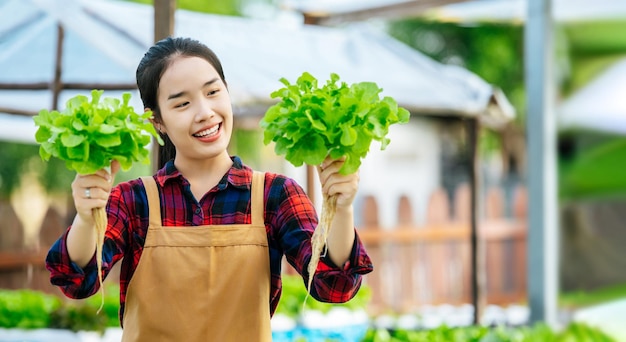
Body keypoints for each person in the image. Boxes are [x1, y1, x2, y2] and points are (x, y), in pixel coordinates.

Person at [45, 36, 373, 341]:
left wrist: (340, 208)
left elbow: (334, 288)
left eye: (213, 92)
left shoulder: (274, 194)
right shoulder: (134, 200)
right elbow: (77, 281)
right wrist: (87, 218)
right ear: (156, 121)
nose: (205, 113)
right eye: (182, 103)